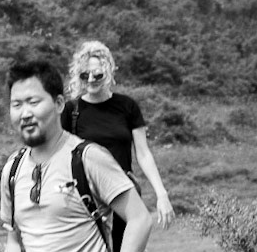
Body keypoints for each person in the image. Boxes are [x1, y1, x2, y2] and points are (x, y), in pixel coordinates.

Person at [0, 58, 152, 252]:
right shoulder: (13, 169)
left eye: (34, 102)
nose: (25, 113)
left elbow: (140, 219)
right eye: (16, 105)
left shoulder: (87, 158)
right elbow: (14, 239)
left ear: (59, 103)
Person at [63, 41, 175, 234]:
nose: (91, 79)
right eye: (85, 75)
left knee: (128, 249)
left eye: (97, 74)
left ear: (108, 72)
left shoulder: (127, 106)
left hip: (123, 193)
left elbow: (143, 154)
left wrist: (161, 194)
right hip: (88, 199)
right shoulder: (71, 110)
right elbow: (60, 157)